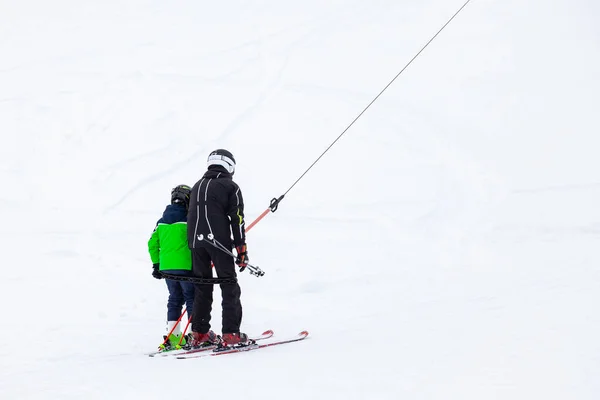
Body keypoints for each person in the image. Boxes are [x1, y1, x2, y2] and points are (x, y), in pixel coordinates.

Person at [187, 149, 249, 347]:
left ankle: (200, 333)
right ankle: (231, 333)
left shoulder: (196, 186)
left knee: (202, 286)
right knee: (229, 285)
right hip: (218, 242)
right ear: (229, 165)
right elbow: (237, 219)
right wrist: (241, 248)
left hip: (196, 243)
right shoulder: (230, 186)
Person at [148, 184, 195, 350]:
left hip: (167, 268)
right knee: (192, 297)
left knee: (175, 298)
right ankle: (195, 334)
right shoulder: (189, 219)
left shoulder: (161, 222)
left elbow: (152, 243)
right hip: (186, 267)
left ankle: (174, 336)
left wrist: (156, 264)